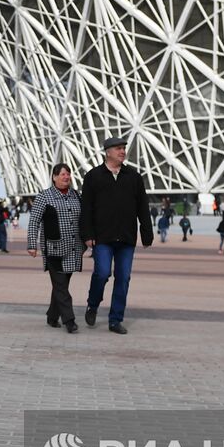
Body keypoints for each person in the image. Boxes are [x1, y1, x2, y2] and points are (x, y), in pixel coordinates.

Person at [79, 137, 154, 335]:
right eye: (118, 149)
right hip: (102, 237)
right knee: (102, 273)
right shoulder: (93, 176)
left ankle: (115, 320)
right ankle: (93, 304)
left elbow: (142, 207)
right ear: (108, 152)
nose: (122, 152)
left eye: (123, 149)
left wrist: (147, 233)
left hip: (126, 238)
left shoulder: (133, 177)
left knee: (123, 278)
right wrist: (87, 234)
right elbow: (86, 208)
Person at [27, 164, 84, 333]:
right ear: (54, 177)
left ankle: (52, 317)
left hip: (74, 248)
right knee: (61, 286)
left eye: (68, 174)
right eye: (63, 174)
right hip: (54, 249)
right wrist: (32, 244)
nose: (66, 177)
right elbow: (34, 222)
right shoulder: (44, 197)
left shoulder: (76, 195)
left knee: (61, 285)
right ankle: (70, 320)